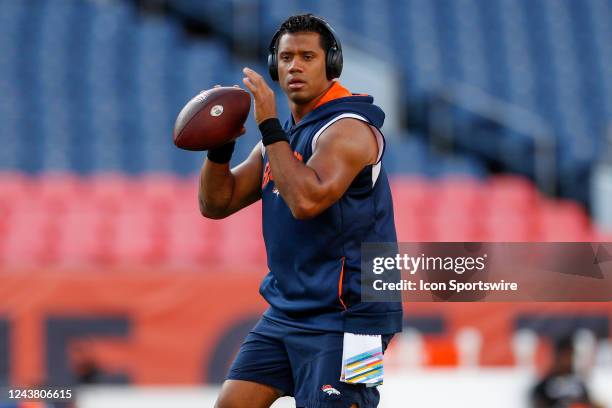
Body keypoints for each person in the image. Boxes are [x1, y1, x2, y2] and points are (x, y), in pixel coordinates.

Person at [199, 14, 403, 408]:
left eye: (308, 56)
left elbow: (306, 201)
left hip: (359, 319)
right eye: (287, 56)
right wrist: (219, 145)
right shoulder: (286, 134)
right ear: (275, 65)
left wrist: (270, 126)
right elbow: (216, 203)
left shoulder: (349, 128)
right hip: (289, 311)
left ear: (331, 64)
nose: (295, 65)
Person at [531, 336, 605, 408]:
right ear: (557, 356)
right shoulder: (545, 385)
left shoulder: (579, 383)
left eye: (570, 355)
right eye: (565, 356)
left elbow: (589, 402)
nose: (567, 360)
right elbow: (539, 403)